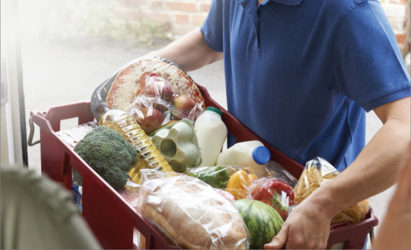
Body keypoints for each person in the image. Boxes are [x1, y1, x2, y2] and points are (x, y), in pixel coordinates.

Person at [147, 0, 410, 248]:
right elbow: (209, 40)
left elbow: (404, 127)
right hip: (243, 196)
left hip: (315, 225)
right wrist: (144, 67)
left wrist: (324, 204)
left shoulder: (348, 12)